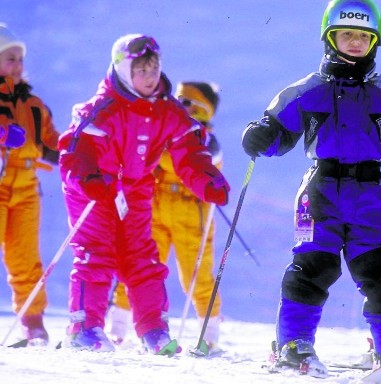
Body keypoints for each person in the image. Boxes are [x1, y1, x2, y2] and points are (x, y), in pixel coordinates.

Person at [241, 0, 381, 381]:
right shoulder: (308, 90)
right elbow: (280, 134)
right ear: (329, 37)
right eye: (347, 34)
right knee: (313, 266)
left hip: (371, 193)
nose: (355, 42)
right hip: (321, 191)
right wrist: (261, 135)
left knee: (380, 272)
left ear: (375, 42)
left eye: (364, 36)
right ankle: (294, 344)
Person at [57, 34, 230, 354]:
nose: (150, 77)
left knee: (142, 257)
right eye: (141, 70)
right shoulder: (104, 107)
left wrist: (206, 180)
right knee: (97, 253)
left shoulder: (168, 110)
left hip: (135, 190)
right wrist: (88, 177)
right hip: (95, 190)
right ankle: (84, 327)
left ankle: (153, 329)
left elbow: (190, 151)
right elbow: (74, 149)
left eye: (154, 69)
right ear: (124, 71)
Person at [106, 81, 224, 353]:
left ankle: (210, 333)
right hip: (155, 208)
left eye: (186, 102)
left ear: (202, 110)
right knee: (138, 265)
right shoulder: (162, 129)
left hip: (191, 213)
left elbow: (196, 162)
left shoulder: (206, 138)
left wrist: (160, 151)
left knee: (196, 275)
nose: (177, 106)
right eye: (177, 100)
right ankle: (118, 327)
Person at [0, 24, 58, 346]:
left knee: (25, 258)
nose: (18, 65)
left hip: (25, 188)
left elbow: (51, 143)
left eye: (20, 59)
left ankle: (32, 322)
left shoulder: (33, 104)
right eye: (10, 58)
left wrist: (77, 149)